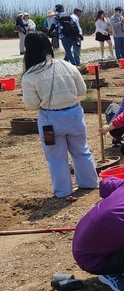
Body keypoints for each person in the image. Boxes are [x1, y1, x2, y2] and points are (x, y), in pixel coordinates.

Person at [21, 31, 98, 199]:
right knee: (82, 151)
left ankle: (63, 191)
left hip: (50, 120)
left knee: (56, 158)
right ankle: (90, 183)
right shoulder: (67, 65)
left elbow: (32, 103)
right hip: (74, 114)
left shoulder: (30, 75)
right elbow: (82, 91)